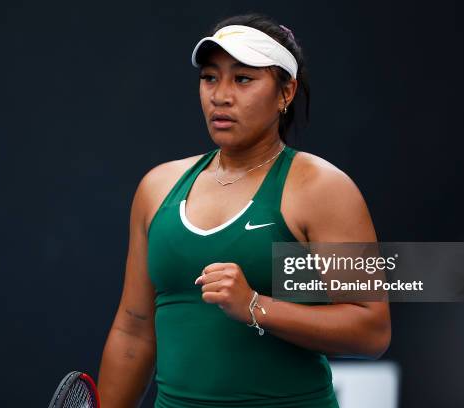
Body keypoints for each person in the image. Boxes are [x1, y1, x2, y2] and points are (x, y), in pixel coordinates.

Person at [97, 13, 391, 408]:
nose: (220, 95)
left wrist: (256, 306)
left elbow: (371, 330)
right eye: (209, 77)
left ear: (285, 93)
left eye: (243, 79)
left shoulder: (321, 188)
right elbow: (133, 330)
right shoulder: (157, 187)